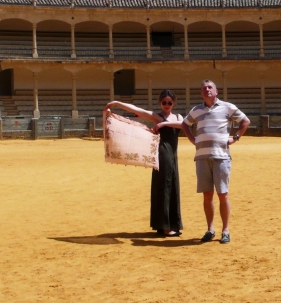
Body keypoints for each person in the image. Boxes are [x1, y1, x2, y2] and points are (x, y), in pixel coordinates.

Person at [157, 79, 249, 244]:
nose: (207, 90)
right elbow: (185, 124)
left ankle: (225, 230)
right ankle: (210, 229)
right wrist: (192, 139)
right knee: (207, 195)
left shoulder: (227, 107)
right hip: (201, 156)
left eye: (210, 87)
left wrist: (235, 137)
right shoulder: (196, 110)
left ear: (216, 91)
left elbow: (245, 121)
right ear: (201, 93)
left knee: (223, 194)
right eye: (204, 88)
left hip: (221, 156)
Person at [104, 90, 184, 237]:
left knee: (172, 186)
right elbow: (137, 110)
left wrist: (163, 125)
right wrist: (117, 103)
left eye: (169, 103)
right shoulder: (156, 116)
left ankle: (169, 224)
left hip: (173, 155)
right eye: (164, 102)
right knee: (164, 187)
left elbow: (183, 125)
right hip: (163, 153)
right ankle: (165, 226)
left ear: (174, 103)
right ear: (160, 103)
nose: (166, 105)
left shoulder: (178, 117)